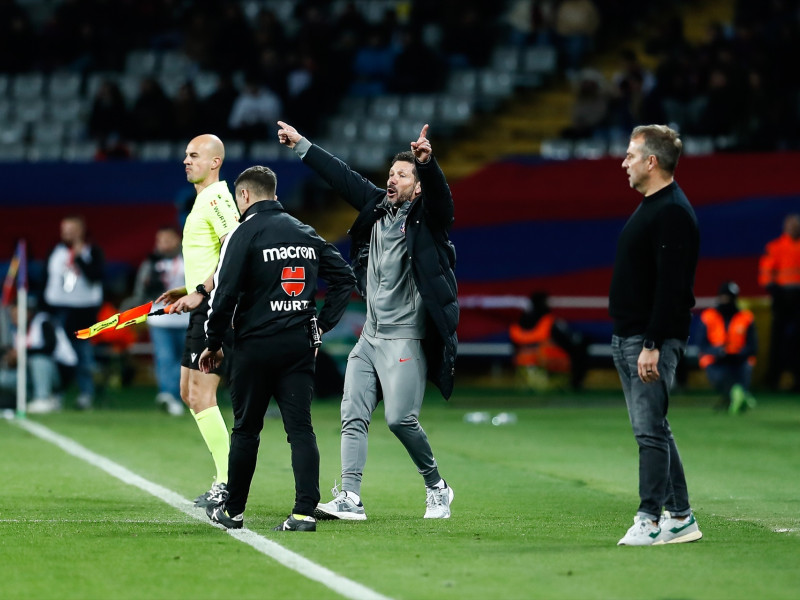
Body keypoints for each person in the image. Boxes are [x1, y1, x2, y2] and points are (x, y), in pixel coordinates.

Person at [277, 120, 459, 520]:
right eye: (391, 173)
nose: (393, 179)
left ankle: (436, 487)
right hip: (371, 337)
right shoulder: (376, 207)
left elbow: (443, 202)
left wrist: (428, 164)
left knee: (399, 420)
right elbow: (341, 177)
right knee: (351, 414)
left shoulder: (428, 220)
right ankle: (351, 497)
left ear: (418, 184)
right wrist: (302, 143)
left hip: (405, 337)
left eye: (403, 174)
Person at [199, 165, 356, 532]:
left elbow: (224, 295)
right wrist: (321, 324)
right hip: (299, 345)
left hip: (255, 346)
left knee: (246, 431)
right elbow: (344, 277)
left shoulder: (243, 233)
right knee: (301, 430)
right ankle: (303, 513)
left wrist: (213, 342)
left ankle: (233, 511)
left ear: (245, 196)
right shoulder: (304, 231)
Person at [610, 124, 703, 546]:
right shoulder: (654, 206)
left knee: (649, 431)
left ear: (652, 161)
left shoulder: (672, 212)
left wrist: (651, 344)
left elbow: (672, 287)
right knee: (655, 429)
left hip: (649, 342)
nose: (623, 161)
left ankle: (649, 519)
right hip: (631, 337)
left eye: (631, 154)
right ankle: (681, 517)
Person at [155, 134, 240, 507]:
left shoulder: (219, 198)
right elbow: (214, 258)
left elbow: (235, 249)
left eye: (194, 155)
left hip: (216, 308)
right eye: (185, 155)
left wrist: (202, 293)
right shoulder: (202, 199)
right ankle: (225, 478)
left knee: (202, 396)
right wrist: (185, 288)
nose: (185, 161)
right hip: (202, 305)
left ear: (214, 162)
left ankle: (227, 483)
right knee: (190, 394)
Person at [125, 225, 190, 416]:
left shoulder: (188, 259)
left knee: (183, 361)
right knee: (164, 358)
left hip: (186, 319)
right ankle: (168, 395)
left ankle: (177, 396)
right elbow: (140, 290)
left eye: (168, 240)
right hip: (160, 319)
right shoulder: (151, 262)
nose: (164, 244)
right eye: (160, 240)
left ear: (177, 240)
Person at [43, 215, 104, 410]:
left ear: (81, 231)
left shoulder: (92, 250)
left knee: (83, 354)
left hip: (83, 311)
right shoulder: (55, 250)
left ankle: (85, 394)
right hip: (59, 309)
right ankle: (56, 394)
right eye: (65, 230)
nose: (67, 234)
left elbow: (95, 276)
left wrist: (78, 257)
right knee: (58, 353)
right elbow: (47, 278)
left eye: (72, 230)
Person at [0, 302, 77, 413]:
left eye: (17, 315)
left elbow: (49, 348)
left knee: (39, 360)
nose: (14, 319)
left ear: (28, 313)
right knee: (4, 379)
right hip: (32, 373)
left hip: (59, 370)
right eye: (13, 315)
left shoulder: (43, 322)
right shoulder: (16, 331)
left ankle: (43, 398)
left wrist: (23, 353)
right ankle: (34, 399)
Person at [697, 281, 757, 415]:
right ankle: (738, 394)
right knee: (720, 374)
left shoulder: (746, 317)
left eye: (729, 298)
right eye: (724, 297)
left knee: (744, 367)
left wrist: (738, 353)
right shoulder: (709, 316)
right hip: (716, 359)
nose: (726, 301)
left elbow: (753, 346)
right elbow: (702, 345)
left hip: (739, 359)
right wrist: (718, 351)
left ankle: (738, 394)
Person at [509, 291, 588, 391]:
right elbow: (571, 342)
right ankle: (575, 384)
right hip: (549, 369)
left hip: (523, 370)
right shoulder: (549, 322)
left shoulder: (517, 325)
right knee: (580, 347)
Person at [757, 213, 800, 391]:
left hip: (796, 299)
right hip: (782, 298)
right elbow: (766, 274)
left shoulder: (775, 247)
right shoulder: (774, 247)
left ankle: (793, 378)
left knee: (795, 340)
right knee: (778, 340)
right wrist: (775, 290)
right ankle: (773, 378)